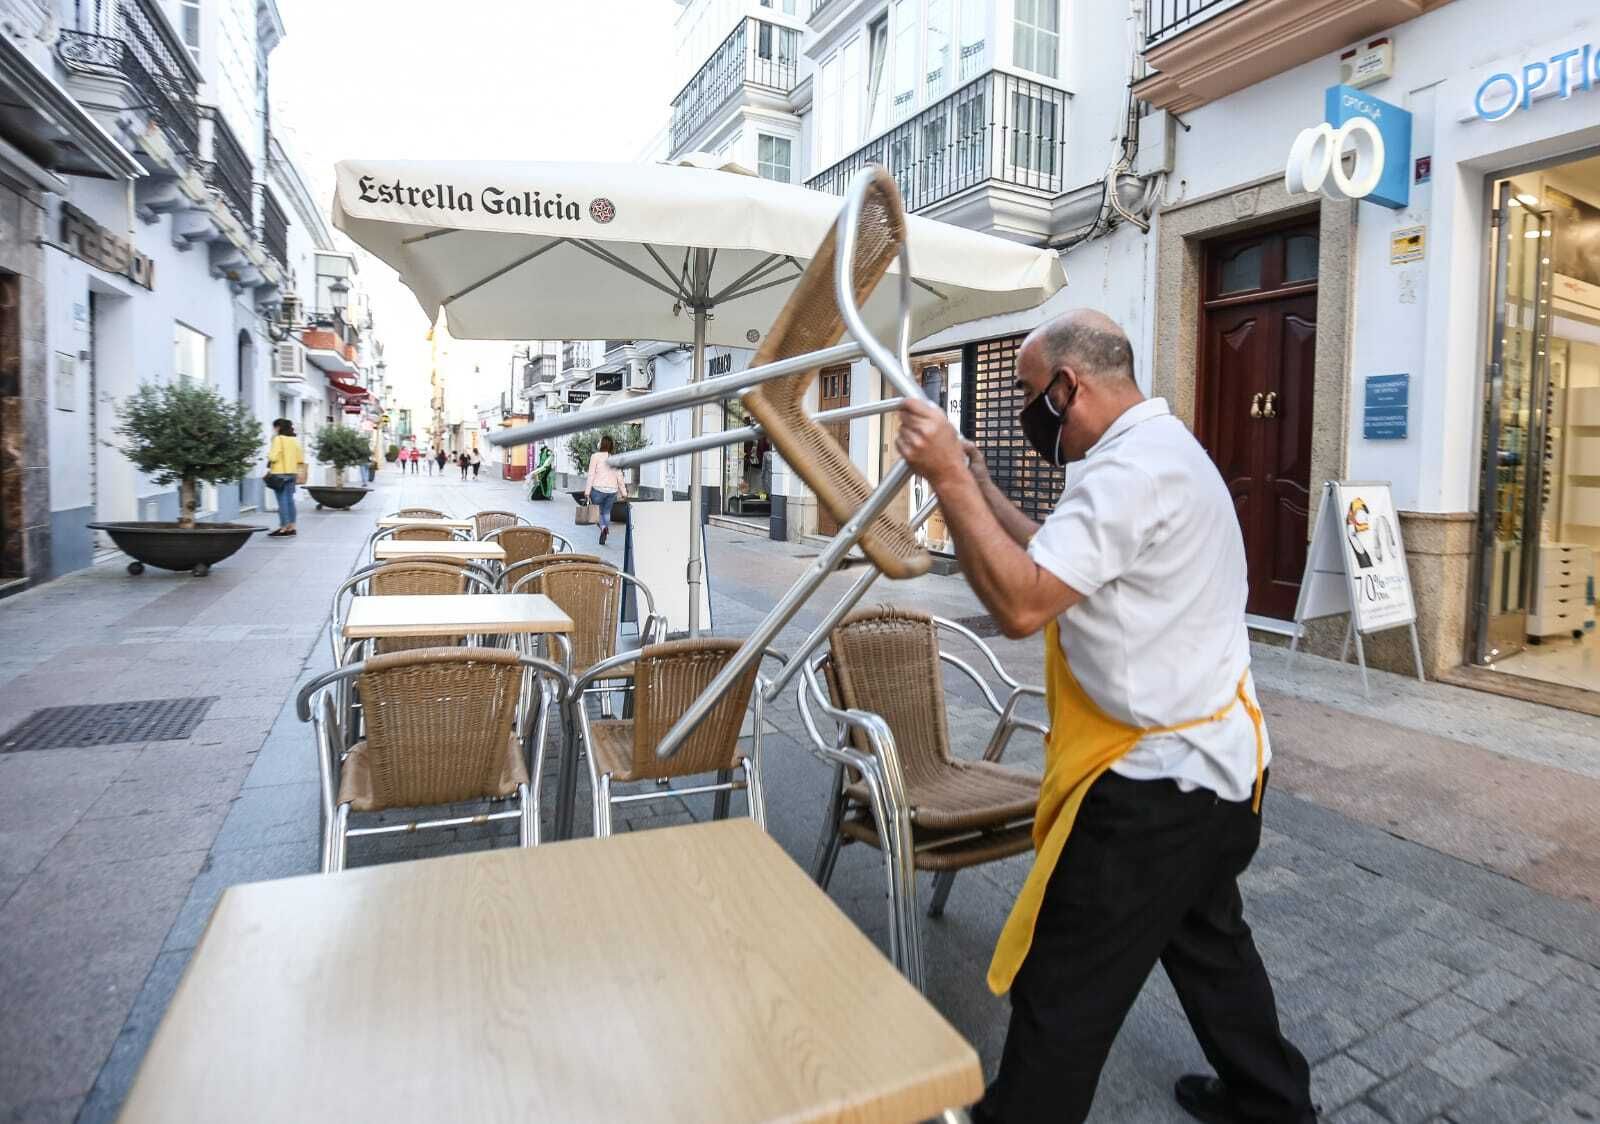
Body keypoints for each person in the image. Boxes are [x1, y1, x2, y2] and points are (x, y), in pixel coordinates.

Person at [892, 309, 1313, 1124]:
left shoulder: (1131, 475)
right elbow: (1054, 551)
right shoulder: (1155, 452)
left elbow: (1023, 602)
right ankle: (1273, 1103)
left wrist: (945, 479)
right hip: (1220, 772)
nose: (1024, 411)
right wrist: (980, 487)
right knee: (1211, 949)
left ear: (1068, 385)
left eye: (1026, 393)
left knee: (1064, 991)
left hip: (1157, 795)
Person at [264, 418, 305, 538]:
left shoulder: (278, 439)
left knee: (282, 501)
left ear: (278, 427)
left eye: (275, 427)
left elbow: (273, 457)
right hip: (292, 473)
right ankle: (292, 527)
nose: (274, 429)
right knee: (290, 501)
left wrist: (269, 454)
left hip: (279, 474)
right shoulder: (294, 440)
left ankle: (283, 528)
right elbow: (300, 458)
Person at [585, 434, 627, 546]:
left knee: (597, 512)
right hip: (612, 490)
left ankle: (603, 528)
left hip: (597, 489)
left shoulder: (595, 456)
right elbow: (620, 476)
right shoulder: (614, 458)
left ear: (601, 444)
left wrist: (587, 491)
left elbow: (591, 475)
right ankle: (605, 528)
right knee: (606, 512)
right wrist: (624, 492)